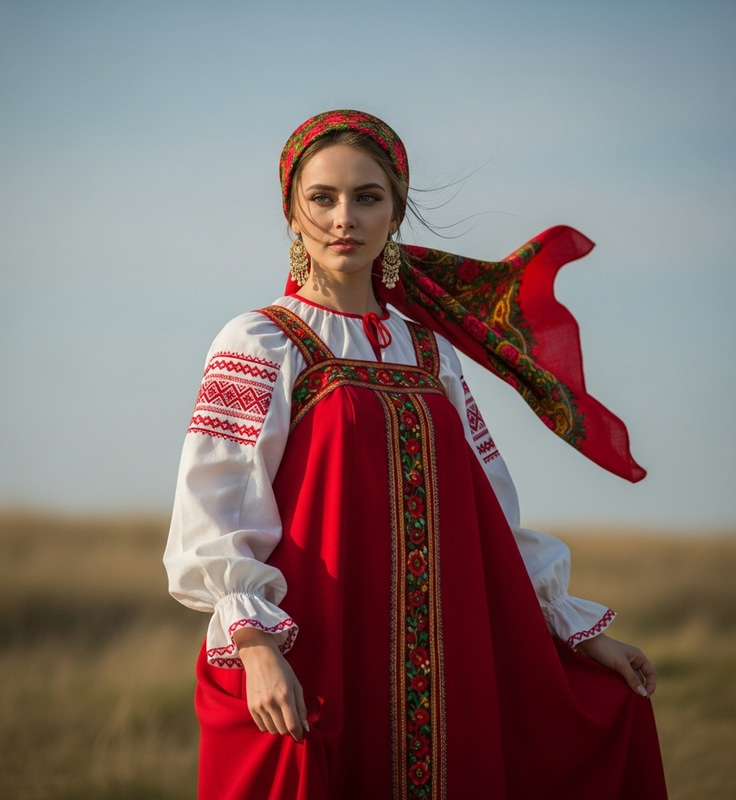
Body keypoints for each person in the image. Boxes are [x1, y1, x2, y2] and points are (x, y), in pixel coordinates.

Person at [165, 110, 667, 799]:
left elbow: (489, 506)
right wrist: (254, 647)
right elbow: (213, 513)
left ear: (395, 213)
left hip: (446, 658)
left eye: (368, 197)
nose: (345, 218)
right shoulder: (261, 341)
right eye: (323, 198)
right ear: (291, 212)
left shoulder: (432, 353)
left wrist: (573, 629)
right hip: (316, 655)